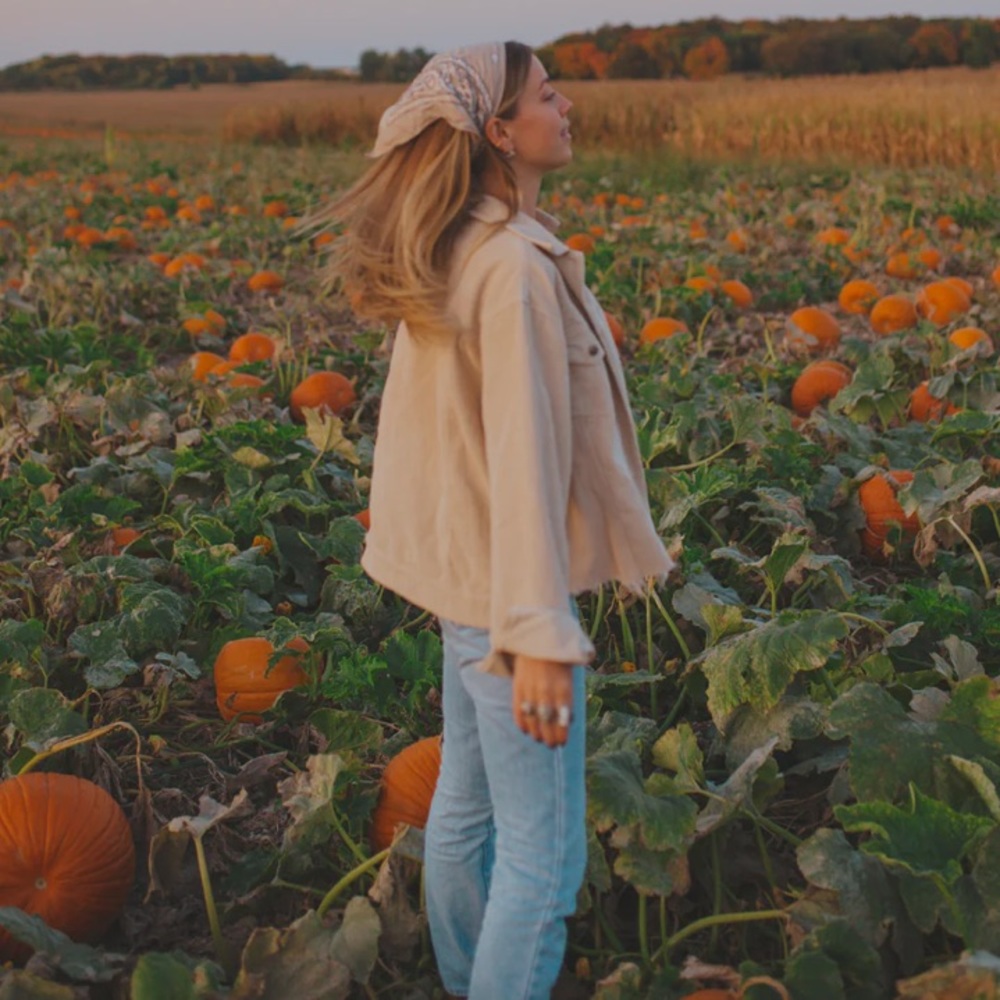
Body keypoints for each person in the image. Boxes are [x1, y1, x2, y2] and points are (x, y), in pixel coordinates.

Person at [311, 40, 675, 1000]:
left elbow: (442, 448)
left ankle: (472, 979)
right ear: (498, 132)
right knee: (545, 863)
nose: (569, 105)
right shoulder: (509, 266)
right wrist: (538, 635)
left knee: (465, 809)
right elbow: (520, 459)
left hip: (464, 584)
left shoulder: (459, 245)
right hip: (509, 602)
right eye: (547, 95)